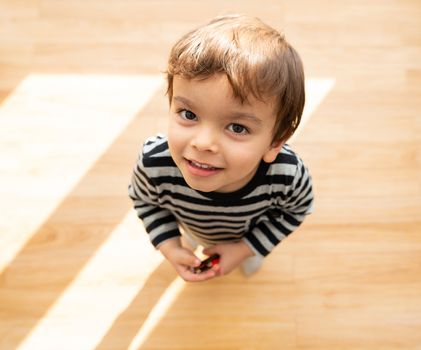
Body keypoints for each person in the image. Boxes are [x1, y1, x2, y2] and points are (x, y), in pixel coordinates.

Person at [128, 14, 314, 282]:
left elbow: (296, 210)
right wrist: (170, 245)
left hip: (247, 234)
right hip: (190, 227)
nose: (202, 143)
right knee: (192, 239)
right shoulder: (154, 162)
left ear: (275, 142)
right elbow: (144, 200)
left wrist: (245, 249)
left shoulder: (287, 175)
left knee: (251, 257)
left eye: (237, 128)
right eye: (188, 114)